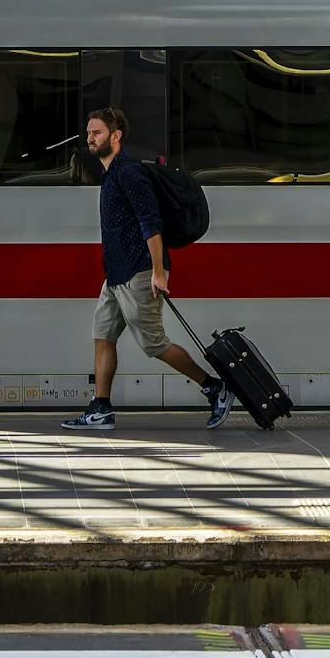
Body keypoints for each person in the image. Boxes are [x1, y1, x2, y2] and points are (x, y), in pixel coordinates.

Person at [62, 106, 232, 433]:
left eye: (96, 133)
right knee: (103, 336)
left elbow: (150, 223)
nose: (90, 139)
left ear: (116, 136)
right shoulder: (110, 174)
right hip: (115, 276)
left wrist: (158, 271)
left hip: (138, 273)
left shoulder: (128, 172)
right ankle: (101, 409)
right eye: (88, 133)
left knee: (154, 344)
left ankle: (214, 387)